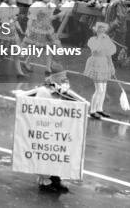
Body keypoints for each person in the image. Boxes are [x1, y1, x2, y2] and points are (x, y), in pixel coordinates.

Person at [13, 65, 87, 193]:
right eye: (62, 76)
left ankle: (56, 178)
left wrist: (67, 95)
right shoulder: (43, 91)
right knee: (46, 154)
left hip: (58, 128)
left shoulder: (63, 89)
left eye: (65, 76)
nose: (65, 79)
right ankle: (44, 181)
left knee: (57, 154)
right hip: (45, 128)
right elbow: (39, 110)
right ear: (56, 77)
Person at [22, 0, 61, 73]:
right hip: (38, 28)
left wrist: (58, 15)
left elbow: (49, 17)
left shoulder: (52, 5)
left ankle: (48, 67)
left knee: (50, 47)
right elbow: (31, 18)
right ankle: (27, 62)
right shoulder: (37, 5)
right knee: (37, 48)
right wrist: (28, 29)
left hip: (48, 29)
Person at [84, 22, 118, 120]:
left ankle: (99, 109)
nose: (102, 32)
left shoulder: (106, 39)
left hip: (104, 64)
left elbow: (109, 53)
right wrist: (102, 40)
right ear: (96, 31)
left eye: (104, 30)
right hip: (96, 64)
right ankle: (92, 111)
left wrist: (111, 66)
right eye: (100, 30)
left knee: (104, 89)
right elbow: (96, 50)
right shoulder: (92, 40)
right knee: (99, 90)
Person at [0, 0, 25, 77]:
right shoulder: (4, 8)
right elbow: (2, 21)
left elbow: (15, 21)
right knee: (2, 53)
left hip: (13, 34)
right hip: (5, 34)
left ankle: (19, 72)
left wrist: (20, 30)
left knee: (16, 53)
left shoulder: (15, 8)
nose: (15, 0)